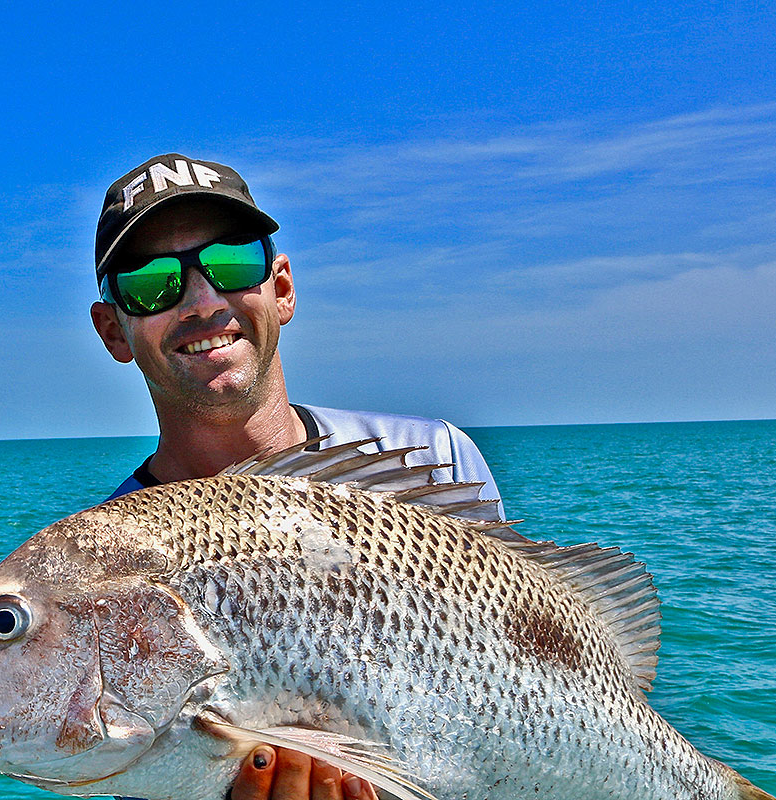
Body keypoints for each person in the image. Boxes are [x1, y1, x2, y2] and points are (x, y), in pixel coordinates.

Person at [87, 154, 507, 800]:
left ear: (281, 289)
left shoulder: (434, 459)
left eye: (232, 262)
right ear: (113, 331)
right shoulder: (104, 570)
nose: (202, 300)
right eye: (151, 282)